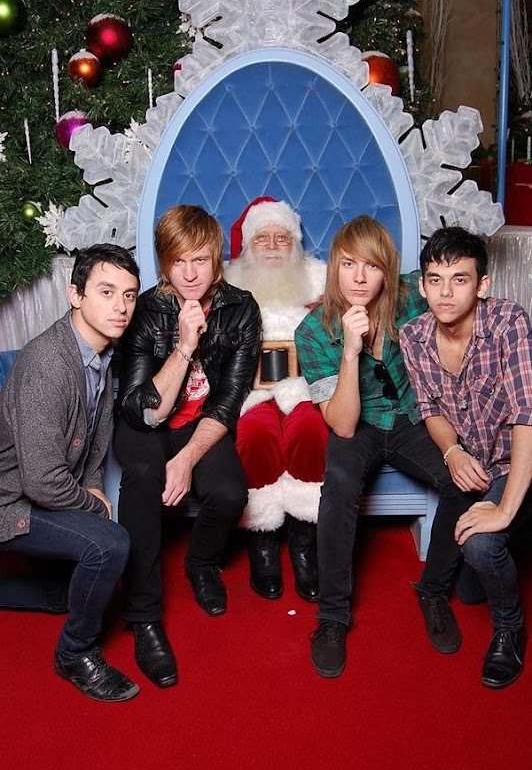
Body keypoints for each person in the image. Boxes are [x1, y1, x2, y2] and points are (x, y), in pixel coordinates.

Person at [294, 215, 471, 679]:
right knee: (338, 488)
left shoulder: (410, 297)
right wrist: (351, 351)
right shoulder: (312, 332)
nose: (358, 277)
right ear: (334, 267)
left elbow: (453, 281)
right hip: (361, 424)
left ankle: (433, 590)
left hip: (414, 418)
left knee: (463, 481)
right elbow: (342, 425)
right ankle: (333, 616)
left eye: (371, 266)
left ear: (387, 271)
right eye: (348, 264)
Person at [114, 203, 261, 689]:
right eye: (179, 262)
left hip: (201, 424)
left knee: (230, 493)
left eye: (200, 259)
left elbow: (229, 401)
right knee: (142, 479)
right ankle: (144, 617)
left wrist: (187, 458)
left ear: (217, 260)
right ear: (164, 264)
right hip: (146, 424)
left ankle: (201, 563)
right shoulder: (145, 310)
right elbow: (144, 411)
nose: (191, 273)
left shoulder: (241, 309)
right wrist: (183, 345)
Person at [0, 244, 140, 702]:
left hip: (41, 489)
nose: (121, 307)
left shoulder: (99, 352)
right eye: (106, 292)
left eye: (129, 295)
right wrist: (92, 506)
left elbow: (96, 440)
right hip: (10, 500)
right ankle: (74, 653)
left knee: (65, 594)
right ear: (75, 295)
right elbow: (41, 480)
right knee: (110, 545)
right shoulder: (48, 364)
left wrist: (94, 485)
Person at [400, 227, 532, 689]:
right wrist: (452, 450)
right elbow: (430, 409)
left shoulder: (508, 323)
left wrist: (504, 510)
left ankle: (510, 628)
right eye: (435, 280)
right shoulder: (413, 336)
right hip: (481, 462)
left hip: (520, 461)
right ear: (422, 286)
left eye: (459, 279)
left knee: (481, 546)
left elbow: (526, 419)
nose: (446, 292)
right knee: (471, 590)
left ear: (482, 285)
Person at [225, 197, 329, 602]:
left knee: (310, 431)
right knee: (254, 435)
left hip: (306, 387)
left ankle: (305, 539)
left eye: (281, 238)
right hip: (253, 392)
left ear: (294, 242)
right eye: (262, 238)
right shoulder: (230, 283)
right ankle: (262, 540)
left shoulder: (318, 278)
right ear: (249, 245)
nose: (271, 246)